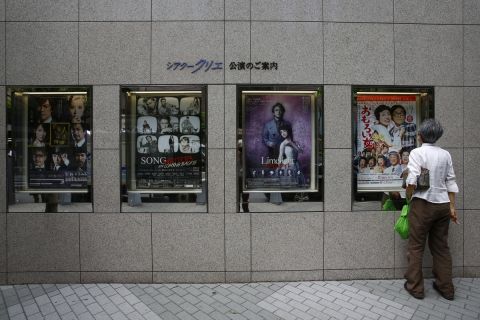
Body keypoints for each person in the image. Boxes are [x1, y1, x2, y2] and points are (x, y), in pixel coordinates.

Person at [404, 119, 459, 301]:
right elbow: (450, 182)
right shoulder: (445, 154)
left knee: (416, 246)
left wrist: (409, 196)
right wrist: (452, 207)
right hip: (443, 205)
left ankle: (415, 288)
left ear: (420, 136)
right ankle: (446, 288)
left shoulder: (417, 153)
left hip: (423, 204)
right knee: (441, 247)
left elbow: (412, 180)